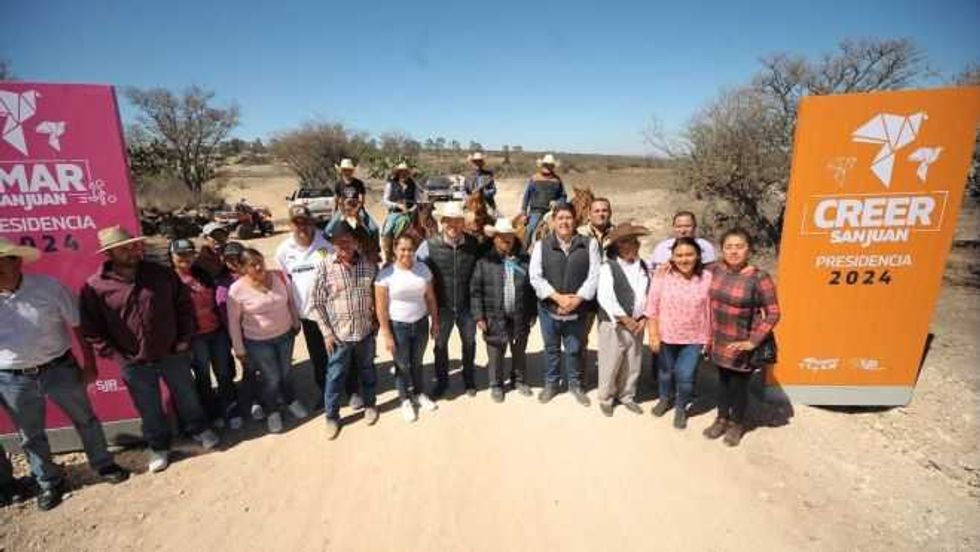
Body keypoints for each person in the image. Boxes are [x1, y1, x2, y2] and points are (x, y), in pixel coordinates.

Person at [0, 238, 129, 511]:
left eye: (1, 262)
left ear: (17, 261)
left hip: (59, 368)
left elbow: (78, 325)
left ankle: (103, 464)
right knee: (30, 435)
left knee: (86, 419)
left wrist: (89, 364)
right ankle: (48, 481)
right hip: (12, 379)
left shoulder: (49, 288)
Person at [80, 226, 219, 474]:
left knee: (186, 394)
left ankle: (199, 429)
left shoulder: (161, 274)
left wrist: (184, 338)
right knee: (148, 407)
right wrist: (116, 355)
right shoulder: (95, 287)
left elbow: (184, 306)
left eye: (134, 245)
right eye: (125, 248)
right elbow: (91, 328)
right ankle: (159, 447)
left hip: (172, 353)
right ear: (110, 253)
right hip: (133, 361)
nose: (133, 251)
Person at [703, 229, 780, 447]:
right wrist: (668, 266)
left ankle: (737, 423)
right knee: (723, 381)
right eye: (729, 247)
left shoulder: (759, 277)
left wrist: (753, 340)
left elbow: (773, 312)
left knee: (739, 384)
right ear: (722, 249)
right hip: (719, 338)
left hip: (742, 342)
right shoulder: (716, 269)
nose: (734, 251)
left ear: (749, 249)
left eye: (739, 246)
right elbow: (690, 266)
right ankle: (721, 418)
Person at [308, 221, 380, 440]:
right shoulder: (324, 266)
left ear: (355, 241)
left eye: (348, 240)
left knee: (367, 370)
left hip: (365, 332)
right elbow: (317, 303)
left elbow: (377, 295)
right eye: (339, 242)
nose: (344, 245)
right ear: (333, 244)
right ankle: (332, 417)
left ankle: (370, 405)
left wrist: (376, 319)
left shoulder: (368, 264)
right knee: (335, 376)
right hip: (340, 336)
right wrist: (327, 333)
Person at [227, 248, 305, 434]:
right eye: (252, 264)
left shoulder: (278, 276)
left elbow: (290, 302)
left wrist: (295, 322)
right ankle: (272, 412)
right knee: (272, 378)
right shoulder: (236, 290)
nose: (258, 266)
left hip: (285, 335)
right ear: (243, 268)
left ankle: (291, 400)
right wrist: (239, 349)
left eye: (259, 260)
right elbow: (233, 322)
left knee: (286, 372)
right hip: (258, 342)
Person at [529, 203, 600, 406]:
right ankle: (551, 383)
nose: (564, 222)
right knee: (551, 348)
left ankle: (575, 384)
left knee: (574, 348)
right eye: (560, 218)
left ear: (575, 220)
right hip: (549, 308)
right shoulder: (542, 245)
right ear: (553, 221)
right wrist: (557, 297)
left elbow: (594, 276)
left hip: (577, 309)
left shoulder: (589, 244)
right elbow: (535, 277)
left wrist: (577, 299)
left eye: (568, 217)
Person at [170, 238, 240, 430]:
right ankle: (213, 413)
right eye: (181, 254)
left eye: (189, 253)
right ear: (172, 256)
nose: (186, 258)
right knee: (203, 377)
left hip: (216, 332)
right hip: (195, 337)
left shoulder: (201, 273)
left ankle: (231, 408)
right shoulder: (170, 280)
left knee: (224, 373)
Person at [416, 201, 482, 398]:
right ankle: (442, 381)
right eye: (448, 221)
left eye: (457, 221)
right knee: (440, 345)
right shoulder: (428, 245)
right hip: (442, 307)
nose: (453, 225)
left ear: (463, 223)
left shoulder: (473, 244)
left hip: (466, 305)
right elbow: (416, 270)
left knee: (469, 343)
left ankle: (469, 379)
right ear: (442, 222)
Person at [646, 237, 713, 429]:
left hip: (694, 338)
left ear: (698, 256)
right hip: (666, 336)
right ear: (672, 257)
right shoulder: (662, 275)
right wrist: (653, 334)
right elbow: (653, 305)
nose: (684, 259)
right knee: (665, 373)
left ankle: (681, 407)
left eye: (689, 254)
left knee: (685, 375)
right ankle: (664, 399)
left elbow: (710, 309)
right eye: (679, 255)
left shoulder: (707, 278)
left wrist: (709, 338)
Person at [275, 205, 338, 407]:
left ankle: (350, 388)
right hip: (308, 315)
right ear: (290, 224)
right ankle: (325, 391)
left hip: (333, 311)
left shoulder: (326, 242)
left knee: (340, 352)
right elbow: (284, 283)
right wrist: (292, 316)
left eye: (305, 221)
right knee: (318, 356)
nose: (301, 226)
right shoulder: (284, 250)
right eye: (297, 222)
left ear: (312, 222)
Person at [375, 234, 440, 422]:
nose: (406, 253)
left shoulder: (423, 269)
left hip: (419, 323)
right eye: (402, 249)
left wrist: (435, 322)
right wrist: (386, 334)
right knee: (402, 365)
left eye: (410, 249)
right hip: (398, 327)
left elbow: (430, 298)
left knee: (417, 362)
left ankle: (419, 393)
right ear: (395, 250)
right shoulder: (386, 274)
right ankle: (404, 400)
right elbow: (381, 307)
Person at [470, 218, 536, 402]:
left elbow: (531, 290)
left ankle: (519, 380)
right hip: (493, 314)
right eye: (501, 237)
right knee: (495, 351)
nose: (506, 240)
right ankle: (496, 384)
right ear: (494, 239)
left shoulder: (524, 261)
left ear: (514, 238)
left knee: (519, 350)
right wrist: (479, 316)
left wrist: (532, 312)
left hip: (520, 313)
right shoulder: (484, 262)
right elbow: (475, 291)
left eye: (509, 236)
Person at [595, 223, 650, 417]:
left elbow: (649, 293)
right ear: (618, 245)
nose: (632, 244)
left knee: (632, 361)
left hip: (637, 323)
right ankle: (606, 397)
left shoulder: (644, 266)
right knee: (611, 361)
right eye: (627, 241)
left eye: (634, 240)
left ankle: (627, 395)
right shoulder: (608, 267)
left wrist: (644, 317)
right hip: (614, 323)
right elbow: (605, 297)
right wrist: (625, 318)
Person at [213, 241, 264, 422]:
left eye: (236, 258)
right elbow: (226, 318)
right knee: (249, 369)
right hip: (241, 335)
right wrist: (238, 341)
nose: (233, 262)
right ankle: (254, 402)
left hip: (260, 331)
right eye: (229, 259)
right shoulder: (223, 284)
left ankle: (265, 396)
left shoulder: (256, 275)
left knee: (262, 367)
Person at [519, 153, 567, 247]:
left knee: (565, 228)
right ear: (542, 166)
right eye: (546, 165)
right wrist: (524, 213)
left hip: (552, 211)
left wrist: (557, 202)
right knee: (531, 228)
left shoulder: (557, 180)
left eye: (550, 165)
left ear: (553, 167)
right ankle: (523, 251)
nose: (548, 167)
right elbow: (526, 196)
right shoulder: (534, 178)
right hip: (536, 211)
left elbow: (563, 196)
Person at [326, 158, 379, 237]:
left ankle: (374, 248)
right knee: (328, 230)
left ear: (352, 171)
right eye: (345, 170)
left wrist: (355, 211)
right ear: (342, 171)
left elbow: (361, 199)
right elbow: (336, 200)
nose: (347, 172)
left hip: (357, 208)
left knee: (374, 228)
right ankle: (328, 247)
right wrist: (334, 212)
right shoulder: (338, 184)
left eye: (349, 170)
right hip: (343, 209)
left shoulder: (359, 183)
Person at [647, 211, 717, 266]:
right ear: (673, 227)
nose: (683, 231)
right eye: (679, 227)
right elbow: (651, 270)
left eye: (687, 226)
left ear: (695, 227)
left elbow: (711, 271)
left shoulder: (705, 247)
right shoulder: (662, 247)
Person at [381, 161, 423, 238]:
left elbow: (418, 200)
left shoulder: (414, 185)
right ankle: (387, 248)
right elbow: (384, 200)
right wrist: (397, 205)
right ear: (398, 173)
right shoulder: (390, 184)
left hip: (411, 214)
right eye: (401, 172)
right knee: (387, 230)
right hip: (395, 213)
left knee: (423, 229)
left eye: (405, 172)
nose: (403, 174)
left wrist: (413, 208)